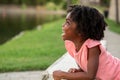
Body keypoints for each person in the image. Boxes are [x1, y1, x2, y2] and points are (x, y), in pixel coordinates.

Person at [53, 5, 120, 80]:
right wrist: (80, 71)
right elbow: (87, 68)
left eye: (68, 23)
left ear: (81, 31)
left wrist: (62, 74)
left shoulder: (92, 47)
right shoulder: (72, 46)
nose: (63, 25)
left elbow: (90, 76)